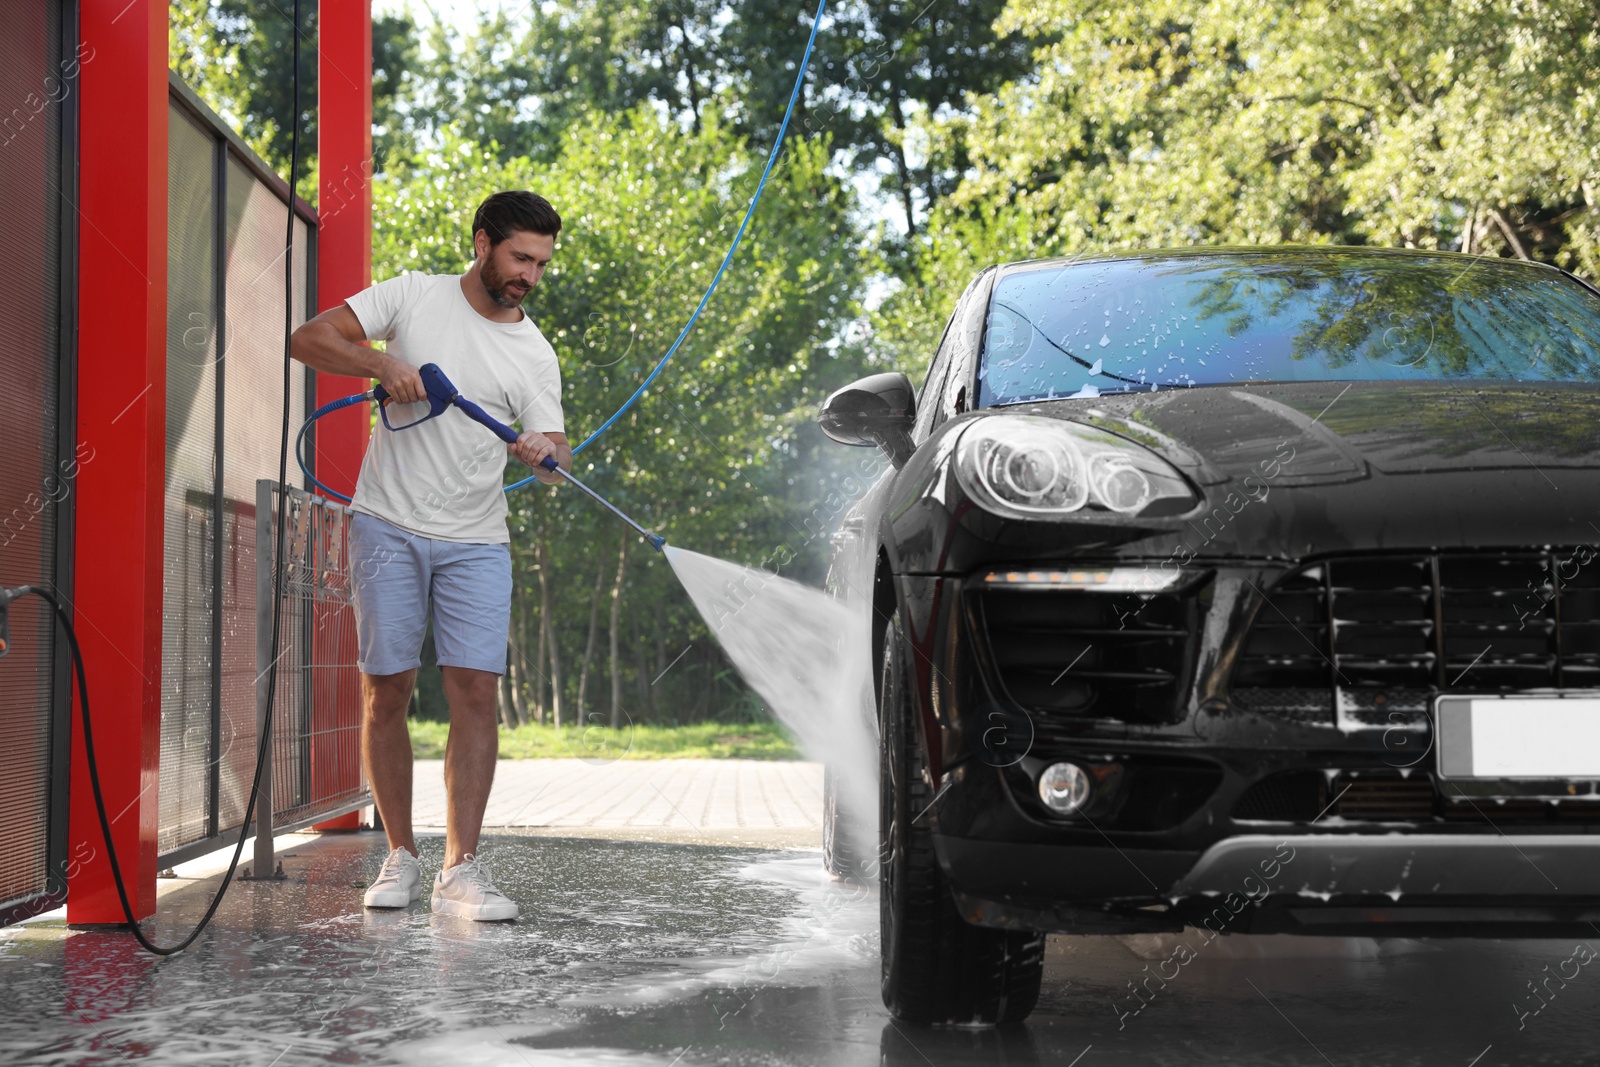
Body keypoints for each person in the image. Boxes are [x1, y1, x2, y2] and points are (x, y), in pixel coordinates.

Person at [289, 190, 572, 920]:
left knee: (476, 693)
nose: (530, 276)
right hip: (387, 523)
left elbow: (555, 455)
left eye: (541, 263)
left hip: (478, 537)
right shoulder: (412, 296)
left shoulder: (534, 351)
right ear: (482, 242)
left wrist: (545, 452)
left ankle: (461, 871)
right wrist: (380, 363)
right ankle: (400, 857)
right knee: (388, 689)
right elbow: (307, 338)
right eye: (519, 257)